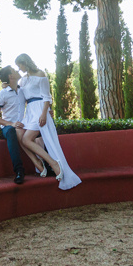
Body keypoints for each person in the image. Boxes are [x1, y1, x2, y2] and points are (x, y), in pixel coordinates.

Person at [15, 53, 81, 191]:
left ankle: (53, 164)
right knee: (22, 138)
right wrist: (19, 119)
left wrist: (45, 113)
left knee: (27, 139)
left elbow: (47, 97)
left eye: (19, 65)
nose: (19, 68)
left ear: (25, 62)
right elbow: (21, 101)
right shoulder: (22, 81)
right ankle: (43, 163)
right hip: (30, 112)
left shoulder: (40, 74)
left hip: (40, 109)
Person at [0, 65, 50, 183]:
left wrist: (47, 111)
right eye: (14, 70)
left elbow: (35, 101)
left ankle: (47, 165)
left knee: (42, 128)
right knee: (12, 132)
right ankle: (19, 171)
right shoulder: (2, 94)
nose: (18, 70)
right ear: (10, 76)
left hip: (24, 124)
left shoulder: (23, 91)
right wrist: (11, 123)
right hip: (8, 126)